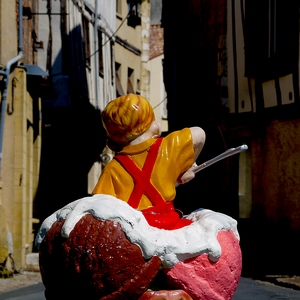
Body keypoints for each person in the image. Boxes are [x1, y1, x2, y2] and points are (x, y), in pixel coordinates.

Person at [92, 93, 206, 230]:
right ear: (151, 125)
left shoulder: (113, 167)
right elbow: (199, 133)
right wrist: (184, 169)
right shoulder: (168, 148)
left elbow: (99, 206)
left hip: (135, 231)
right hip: (168, 226)